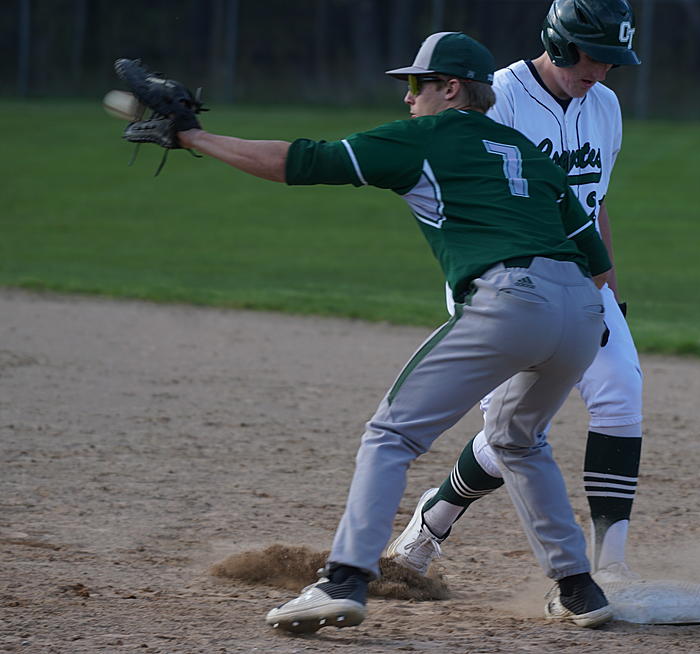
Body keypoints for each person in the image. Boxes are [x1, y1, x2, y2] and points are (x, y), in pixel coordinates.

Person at [174, 32, 615, 631]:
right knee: (517, 440)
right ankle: (580, 590)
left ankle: (344, 579)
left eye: (416, 84)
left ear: (451, 88)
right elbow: (597, 262)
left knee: (390, 434)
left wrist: (191, 136)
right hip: (585, 314)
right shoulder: (526, 150)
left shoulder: (423, 139)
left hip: (514, 300)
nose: (408, 99)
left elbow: (295, 162)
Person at [388, 0, 645, 586]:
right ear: (559, 43)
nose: (600, 72)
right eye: (592, 57)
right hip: (504, 285)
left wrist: (611, 297)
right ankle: (434, 518)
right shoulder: (496, 98)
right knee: (516, 436)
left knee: (621, 391)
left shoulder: (605, 106)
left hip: (582, 282)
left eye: (612, 62)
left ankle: (614, 565)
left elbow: (592, 203)